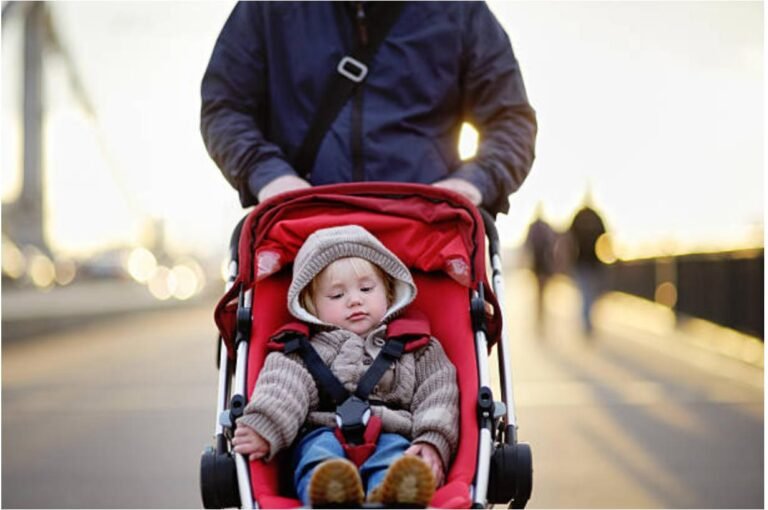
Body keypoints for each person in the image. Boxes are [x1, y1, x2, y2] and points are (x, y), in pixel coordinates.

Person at [200, 1, 536, 217]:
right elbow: (225, 106)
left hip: (427, 229)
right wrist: (271, 177)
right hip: (301, 222)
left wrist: (471, 183)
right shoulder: (267, 8)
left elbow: (511, 120)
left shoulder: (460, 10)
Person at [231, 225, 459, 507]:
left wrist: (432, 440)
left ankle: (395, 496)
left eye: (366, 288)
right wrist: (266, 425)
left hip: (392, 432)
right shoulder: (303, 349)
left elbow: (438, 393)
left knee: (397, 457)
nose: (354, 300)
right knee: (317, 456)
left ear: (388, 292)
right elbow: (283, 388)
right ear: (310, 306)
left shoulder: (416, 346)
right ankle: (329, 496)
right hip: (323, 431)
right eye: (336, 296)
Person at [567, 195, 608, 337]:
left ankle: (587, 322)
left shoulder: (579, 215)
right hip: (590, 261)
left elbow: (569, 236)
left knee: (587, 293)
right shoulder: (594, 216)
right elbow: (605, 235)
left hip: (585, 261)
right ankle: (587, 323)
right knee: (588, 293)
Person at [524, 204, 557, 334]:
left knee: (540, 291)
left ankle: (539, 315)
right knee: (541, 291)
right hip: (543, 264)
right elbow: (553, 245)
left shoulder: (533, 227)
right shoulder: (546, 227)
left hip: (538, 264)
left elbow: (527, 245)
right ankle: (540, 315)